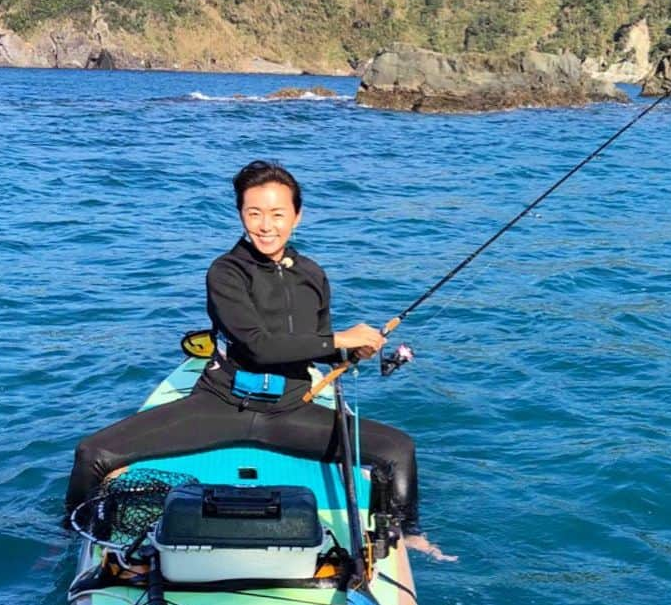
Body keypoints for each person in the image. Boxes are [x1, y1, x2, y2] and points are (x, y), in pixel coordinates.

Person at [65, 160, 419, 536]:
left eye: (278, 214)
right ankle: (68, 538)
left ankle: (409, 538)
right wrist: (341, 339)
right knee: (94, 454)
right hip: (221, 406)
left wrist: (350, 352)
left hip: (291, 411)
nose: (266, 225)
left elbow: (315, 343)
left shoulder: (312, 274)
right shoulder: (225, 272)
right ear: (240, 215)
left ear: (297, 216)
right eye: (254, 213)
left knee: (398, 450)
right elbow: (258, 347)